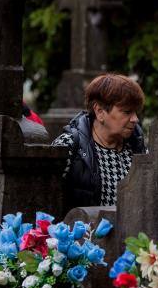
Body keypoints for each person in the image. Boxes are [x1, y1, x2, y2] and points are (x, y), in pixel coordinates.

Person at [52, 73, 146, 207]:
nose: (135, 119)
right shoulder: (69, 146)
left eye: (135, 112)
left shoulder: (137, 147)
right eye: (127, 112)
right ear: (100, 111)